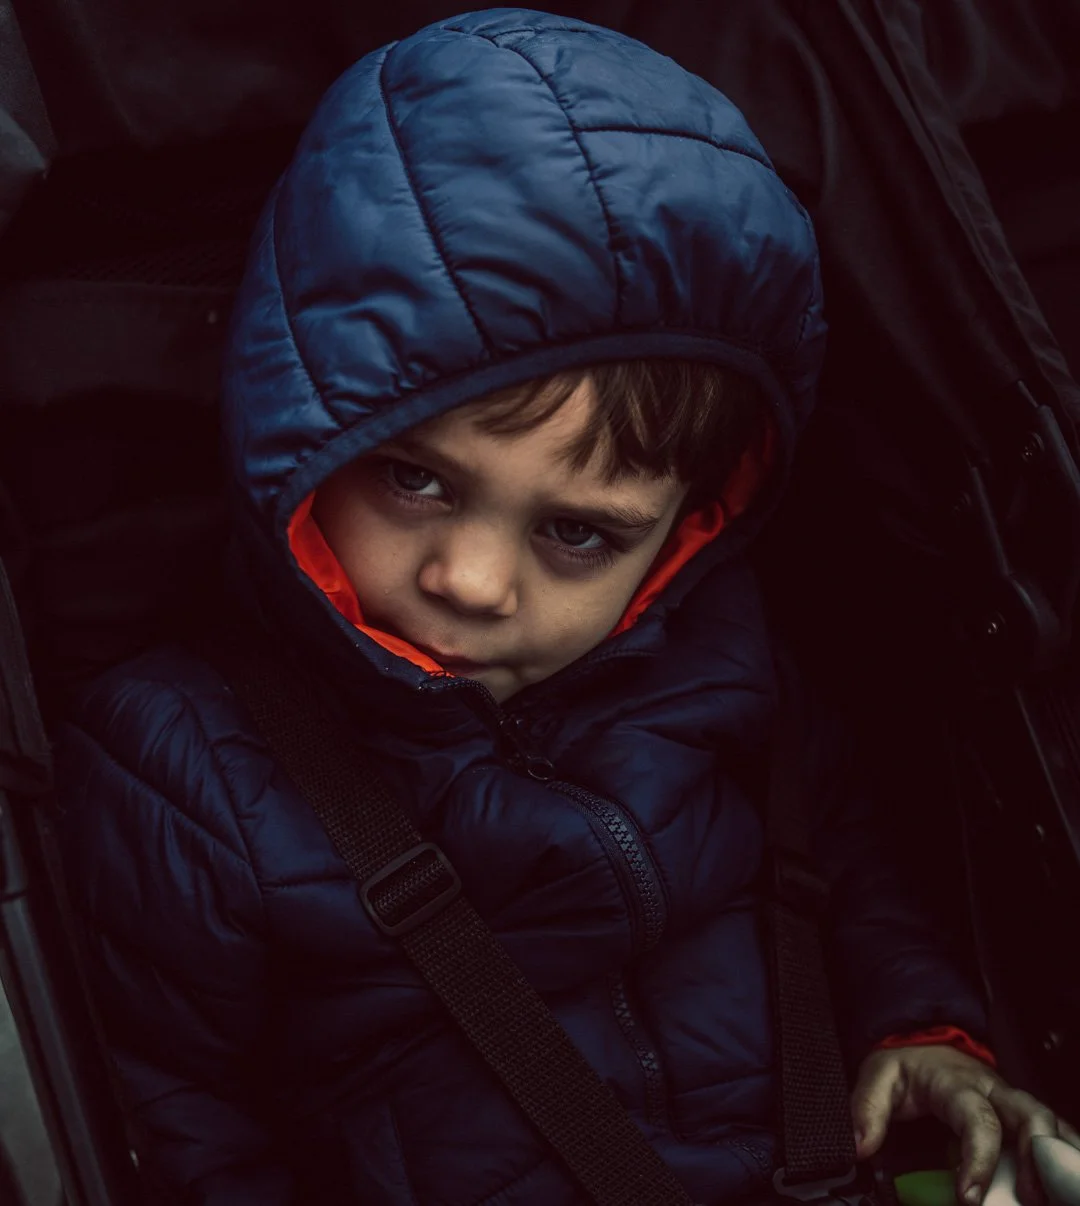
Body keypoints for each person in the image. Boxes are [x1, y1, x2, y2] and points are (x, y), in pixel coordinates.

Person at [51, 9, 1078, 1205]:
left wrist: (921, 1028)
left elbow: (847, 861)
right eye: (414, 478)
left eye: (577, 532)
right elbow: (183, 1125)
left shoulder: (720, 651)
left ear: (684, 529)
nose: (472, 582)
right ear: (301, 431)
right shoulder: (181, 766)